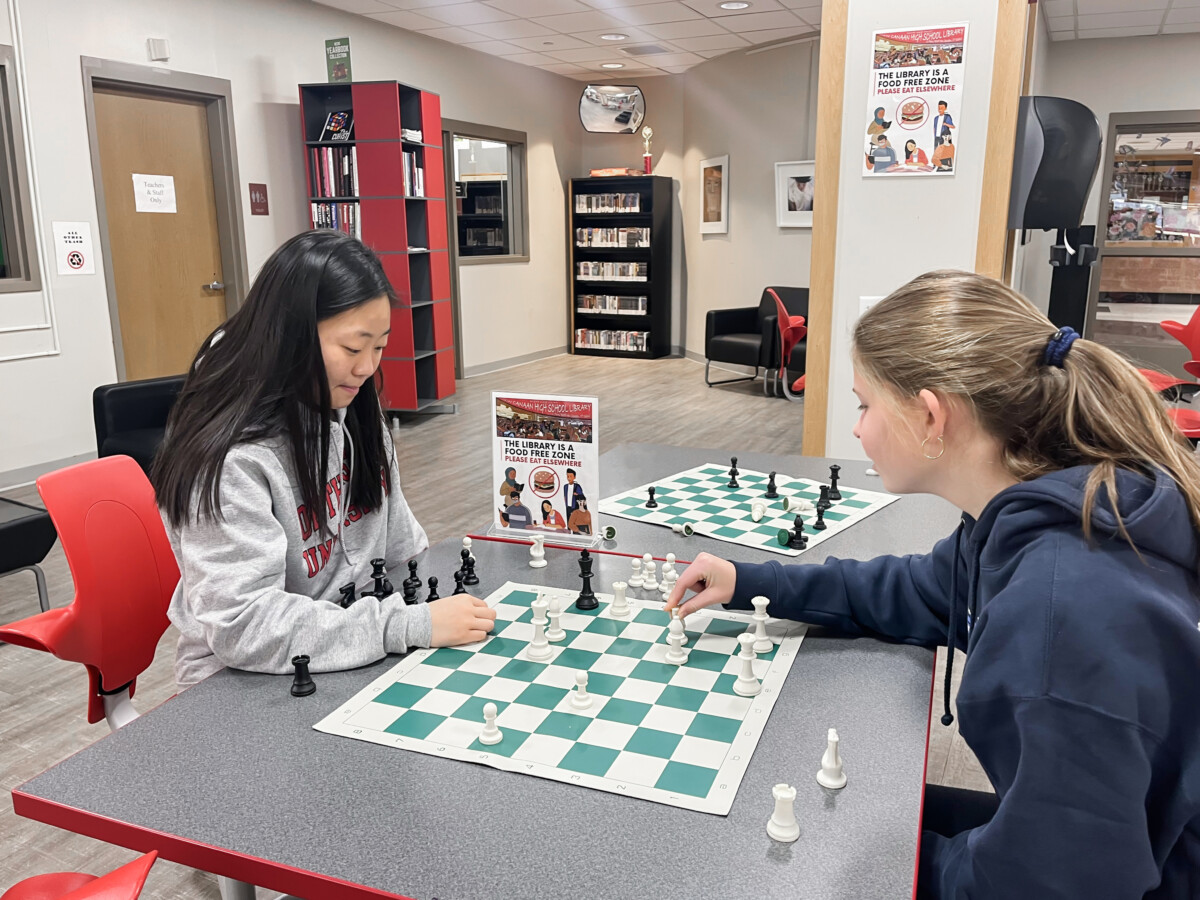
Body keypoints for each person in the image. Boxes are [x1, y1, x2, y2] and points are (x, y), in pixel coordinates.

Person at [666, 270, 1200, 899]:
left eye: (865, 405)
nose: (859, 429)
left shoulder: (1061, 609)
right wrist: (751, 581)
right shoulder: (1033, 509)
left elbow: (1054, 883)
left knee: (787, 857)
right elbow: (919, 590)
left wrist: (862, 872)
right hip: (1098, 846)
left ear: (929, 415)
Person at [154, 231, 495, 686]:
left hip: (354, 642)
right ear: (288, 339)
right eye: (353, 348)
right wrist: (403, 625)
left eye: (379, 346)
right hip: (247, 680)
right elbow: (244, 624)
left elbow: (402, 547)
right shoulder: (228, 456)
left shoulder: (351, 403)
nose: (367, 367)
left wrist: (421, 609)